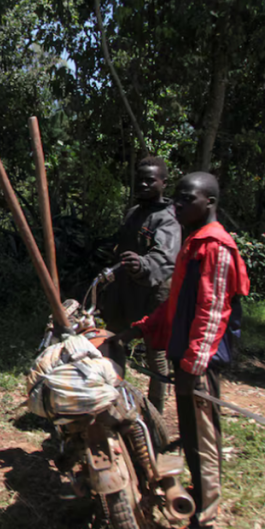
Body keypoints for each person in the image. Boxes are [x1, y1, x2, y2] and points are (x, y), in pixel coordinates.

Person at [120, 172, 250, 529]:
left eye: (187, 198)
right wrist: (139, 330)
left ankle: (205, 527)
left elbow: (213, 311)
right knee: (192, 437)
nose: (177, 205)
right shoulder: (193, 243)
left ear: (210, 202)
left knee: (203, 441)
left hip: (200, 365)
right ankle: (201, 494)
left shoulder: (216, 246)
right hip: (189, 360)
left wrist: (194, 366)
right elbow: (175, 306)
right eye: (175, 197)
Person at [99, 156, 182, 412]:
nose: (144, 184)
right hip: (124, 289)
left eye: (150, 180)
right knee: (114, 340)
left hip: (155, 291)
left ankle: (155, 409)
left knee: (156, 350)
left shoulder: (168, 218)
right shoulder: (134, 212)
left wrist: (143, 264)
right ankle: (113, 400)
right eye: (141, 180)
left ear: (164, 183)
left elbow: (165, 255)